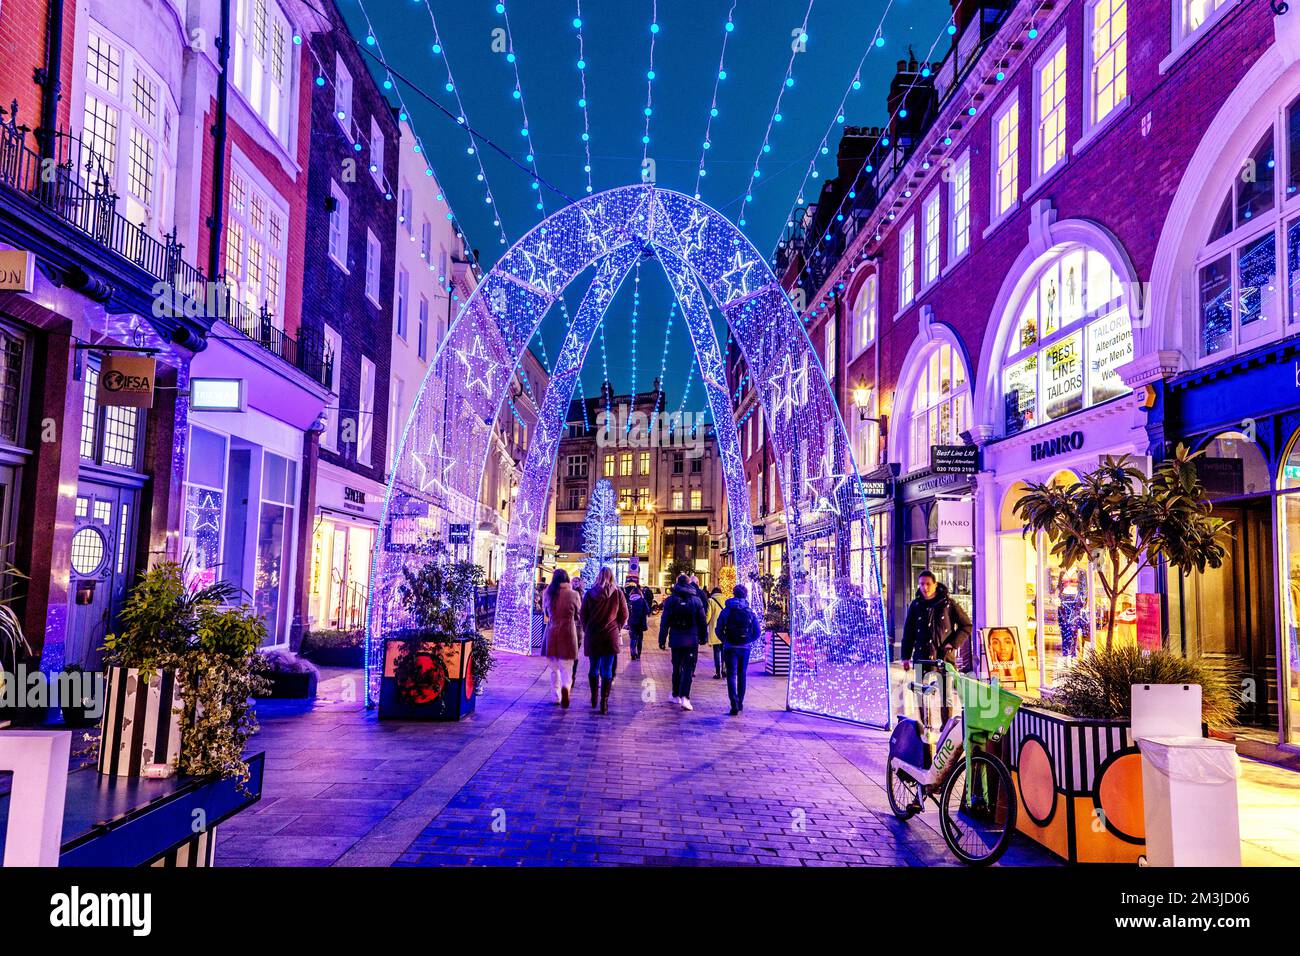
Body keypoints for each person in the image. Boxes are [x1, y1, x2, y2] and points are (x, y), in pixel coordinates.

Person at [900, 569, 973, 672]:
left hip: (944, 658)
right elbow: (908, 633)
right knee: (922, 688)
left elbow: (966, 625)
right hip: (922, 659)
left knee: (945, 687)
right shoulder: (915, 605)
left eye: (928, 584)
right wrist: (905, 657)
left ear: (935, 584)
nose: (925, 588)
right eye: (922, 584)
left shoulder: (948, 604)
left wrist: (952, 643)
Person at [580, 566, 628, 714]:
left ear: (598, 576)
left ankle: (594, 696)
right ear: (612, 577)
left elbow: (583, 615)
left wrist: (588, 628)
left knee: (593, 667)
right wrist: (617, 627)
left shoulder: (589, 594)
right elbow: (624, 614)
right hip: (610, 636)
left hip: (593, 635)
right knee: (607, 669)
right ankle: (604, 702)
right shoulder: (618, 593)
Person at [658, 574, 706, 710]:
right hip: (692, 640)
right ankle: (685, 697)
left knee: (676, 667)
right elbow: (702, 621)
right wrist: (703, 637)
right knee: (688, 669)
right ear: (689, 583)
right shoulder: (696, 600)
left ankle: (675, 694)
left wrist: (662, 639)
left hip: (676, 639)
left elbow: (664, 622)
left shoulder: (671, 601)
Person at [715, 583, 760, 715]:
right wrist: (747, 640)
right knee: (742, 675)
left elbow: (718, 629)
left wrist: (725, 640)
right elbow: (757, 632)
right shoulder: (749, 611)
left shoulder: (727, 610)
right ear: (745, 595)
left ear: (733, 594)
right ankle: (740, 702)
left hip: (730, 647)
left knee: (731, 675)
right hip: (744, 648)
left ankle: (733, 701)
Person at [540, 569, 581, 708]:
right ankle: (566, 689)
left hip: (552, 632)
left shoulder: (548, 594)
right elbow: (578, 614)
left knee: (553, 669)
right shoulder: (573, 594)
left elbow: (545, 612)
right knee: (567, 668)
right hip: (568, 633)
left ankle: (556, 695)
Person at [706, 586, 726, 678]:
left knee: (716, 651)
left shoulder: (711, 601)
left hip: (715, 630)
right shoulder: (726, 600)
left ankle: (718, 672)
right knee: (724, 651)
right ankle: (724, 670)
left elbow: (708, 616)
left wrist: (704, 624)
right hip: (725, 630)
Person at [626, 584, 649, 660]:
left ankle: (632, 653)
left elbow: (626, 612)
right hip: (640, 623)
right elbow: (647, 611)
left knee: (633, 638)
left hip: (632, 622)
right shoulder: (642, 600)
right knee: (640, 639)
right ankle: (638, 655)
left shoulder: (629, 601)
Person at [571, 576, 586, 686]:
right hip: (570, 625)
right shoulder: (569, 593)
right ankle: (570, 673)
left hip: (579, 626)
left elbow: (584, 610)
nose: (575, 583)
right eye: (574, 581)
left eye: (577, 581)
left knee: (575, 651)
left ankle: (573, 674)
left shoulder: (584, 595)